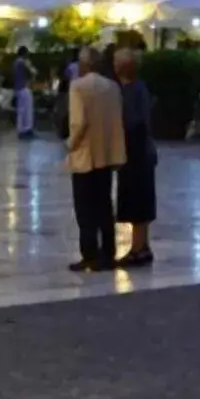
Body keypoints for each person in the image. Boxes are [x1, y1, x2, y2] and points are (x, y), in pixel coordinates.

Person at [65, 46, 125, 273]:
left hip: (85, 155)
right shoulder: (112, 87)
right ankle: (108, 253)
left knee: (84, 208)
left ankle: (88, 253)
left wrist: (70, 144)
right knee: (104, 206)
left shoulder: (78, 87)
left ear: (84, 64)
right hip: (106, 154)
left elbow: (79, 122)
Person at [113, 49, 157, 267]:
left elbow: (131, 123)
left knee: (136, 201)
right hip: (144, 152)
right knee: (143, 200)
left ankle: (137, 247)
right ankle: (143, 245)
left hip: (135, 153)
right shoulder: (140, 88)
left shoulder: (130, 91)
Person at [12, 46, 35, 139]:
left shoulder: (15, 63)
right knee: (28, 109)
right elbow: (32, 72)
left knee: (21, 110)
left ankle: (20, 129)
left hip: (18, 88)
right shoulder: (23, 63)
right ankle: (27, 129)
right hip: (24, 87)